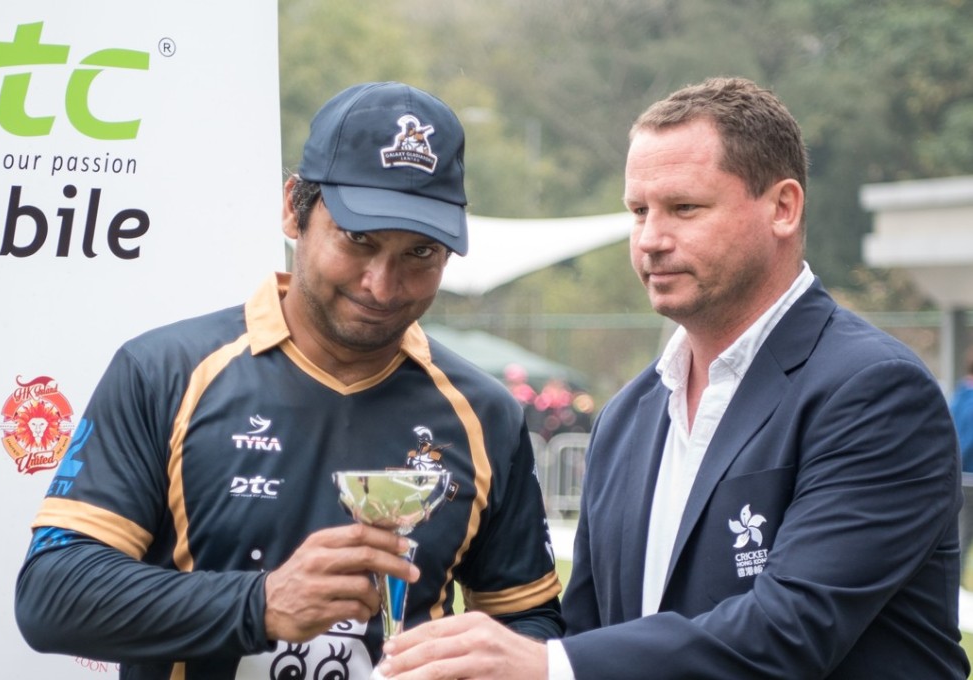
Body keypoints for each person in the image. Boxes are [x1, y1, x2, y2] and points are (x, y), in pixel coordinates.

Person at [376, 76, 969, 679]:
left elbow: (791, 630)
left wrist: (551, 665)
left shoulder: (875, 391)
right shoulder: (626, 417)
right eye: (639, 211)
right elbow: (595, 634)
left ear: (783, 208)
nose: (651, 240)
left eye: (685, 208)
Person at [14, 81, 563, 679]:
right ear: (292, 209)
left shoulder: (484, 413)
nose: (382, 285)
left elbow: (528, 622)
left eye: (421, 253)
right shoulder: (164, 372)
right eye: (358, 239)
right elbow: (52, 595)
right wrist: (261, 604)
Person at [952, 350, 973, 574]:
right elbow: (968, 441)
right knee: (964, 534)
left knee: (961, 533)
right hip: (969, 476)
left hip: (959, 476)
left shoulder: (959, 394)